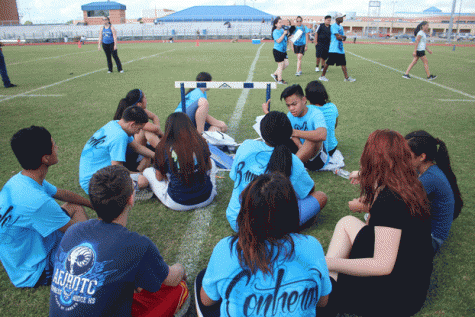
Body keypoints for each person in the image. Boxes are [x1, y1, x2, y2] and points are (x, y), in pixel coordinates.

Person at [49, 165, 189, 317]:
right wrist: (180, 268)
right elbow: (172, 279)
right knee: (179, 288)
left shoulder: (73, 231)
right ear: (131, 198)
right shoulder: (137, 245)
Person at [320, 129, 433, 317]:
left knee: (327, 274)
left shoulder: (390, 199)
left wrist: (328, 262)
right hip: (414, 282)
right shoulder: (410, 182)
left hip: (397, 298)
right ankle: (329, 281)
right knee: (347, 221)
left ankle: (327, 291)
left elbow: (382, 265)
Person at [196, 173, 331, 317]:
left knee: (202, 279)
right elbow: (322, 302)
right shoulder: (312, 246)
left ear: (246, 211)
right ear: (293, 209)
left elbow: (207, 301)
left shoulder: (225, 250)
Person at [0, 126, 90, 288]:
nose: (57, 147)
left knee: (75, 207)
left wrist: (93, 204)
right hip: (34, 271)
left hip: (22, 255)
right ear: (45, 159)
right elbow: (75, 232)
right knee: (87, 243)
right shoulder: (37, 202)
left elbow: (63, 194)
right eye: (54, 144)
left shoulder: (22, 180)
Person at [226, 111, 327, 232]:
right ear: (289, 133)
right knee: (321, 196)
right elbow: (309, 191)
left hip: (236, 220)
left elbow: (234, 177)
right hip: (269, 227)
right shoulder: (293, 161)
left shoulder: (246, 146)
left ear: (262, 131)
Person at [143, 112, 217, 211]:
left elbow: (159, 178)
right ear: (189, 126)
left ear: (169, 128)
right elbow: (209, 167)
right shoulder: (201, 140)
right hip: (207, 197)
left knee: (147, 171)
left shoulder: (163, 147)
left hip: (178, 202)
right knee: (211, 161)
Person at [405, 130, 463, 254]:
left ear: (422, 157)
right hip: (426, 228)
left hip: (432, 239)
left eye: (407, 155)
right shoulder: (423, 169)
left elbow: (400, 204)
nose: (402, 158)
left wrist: (368, 206)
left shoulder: (430, 178)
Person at [79, 106, 154, 195]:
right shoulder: (119, 136)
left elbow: (137, 147)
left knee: (145, 173)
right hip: (96, 185)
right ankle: (130, 193)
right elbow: (118, 170)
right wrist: (142, 174)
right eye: (139, 129)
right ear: (132, 124)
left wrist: (157, 155)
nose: (138, 132)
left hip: (89, 180)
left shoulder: (115, 124)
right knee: (144, 181)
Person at [263, 84, 328, 170]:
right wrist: (267, 112)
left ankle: (285, 169)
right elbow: (280, 127)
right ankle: (268, 163)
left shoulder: (316, 113)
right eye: (288, 105)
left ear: (304, 100)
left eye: (294, 104)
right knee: (279, 137)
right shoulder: (290, 115)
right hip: (300, 152)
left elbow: (322, 135)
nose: (291, 108)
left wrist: (294, 132)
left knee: (311, 139)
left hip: (317, 160)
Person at [114, 89, 163, 172]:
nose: (147, 100)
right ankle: (166, 153)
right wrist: (162, 135)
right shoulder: (135, 118)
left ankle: (164, 154)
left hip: (133, 152)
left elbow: (155, 117)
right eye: (145, 98)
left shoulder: (130, 114)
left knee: (148, 154)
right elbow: (156, 129)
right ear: (139, 104)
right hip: (127, 159)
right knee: (147, 132)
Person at [305, 80, 339, 156]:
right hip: (332, 148)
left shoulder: (307, 110)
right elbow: (335, 125)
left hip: (316, 151)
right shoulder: (332, 106)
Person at [319, 13, 355, 82]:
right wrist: (342, 36)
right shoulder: (333, 26)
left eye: (342, 17)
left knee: (343, 63)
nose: (342, 19)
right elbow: (338, 37)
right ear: (336, 19)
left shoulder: (341, 27)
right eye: (340, 17)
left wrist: (341, 36)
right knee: (328, 63)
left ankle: (346, 78)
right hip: (334, 49)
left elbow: (343, 38)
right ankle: (322, 76)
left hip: (340, 49)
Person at [270, 16, 289, 84]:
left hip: (283, 51)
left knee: (286, 64)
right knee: (280, 65)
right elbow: (278, 41)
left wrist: (288, 35)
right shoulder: (275, 32)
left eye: (281, 22)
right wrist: (284, 34)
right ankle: (279, 80)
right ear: (276, 24)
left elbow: (286, 40)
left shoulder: (282, 30)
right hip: (277, 50)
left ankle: (275, 74)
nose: (281, 24)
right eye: (279, 22)